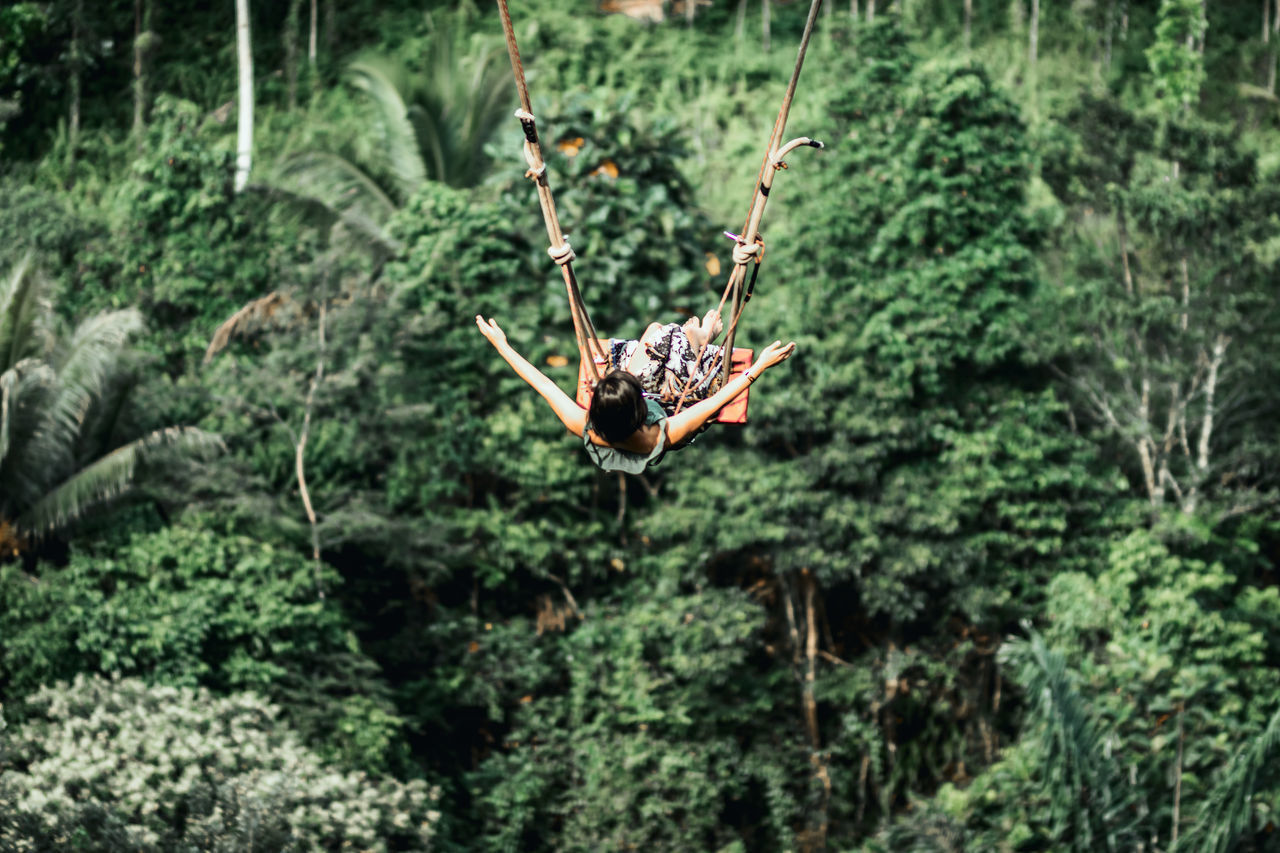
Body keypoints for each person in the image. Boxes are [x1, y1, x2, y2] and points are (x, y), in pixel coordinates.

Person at [475, 312, 796, 473]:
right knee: (670, 335)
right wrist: (761, 366)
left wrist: (503, 346)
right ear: (640, 406)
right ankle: (699, 337)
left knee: (654, 331)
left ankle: (693, 334)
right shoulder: (664, 433)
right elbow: (716, 401)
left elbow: (543, 384)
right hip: (674, 404)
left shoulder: (585, 423)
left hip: (632, 410)